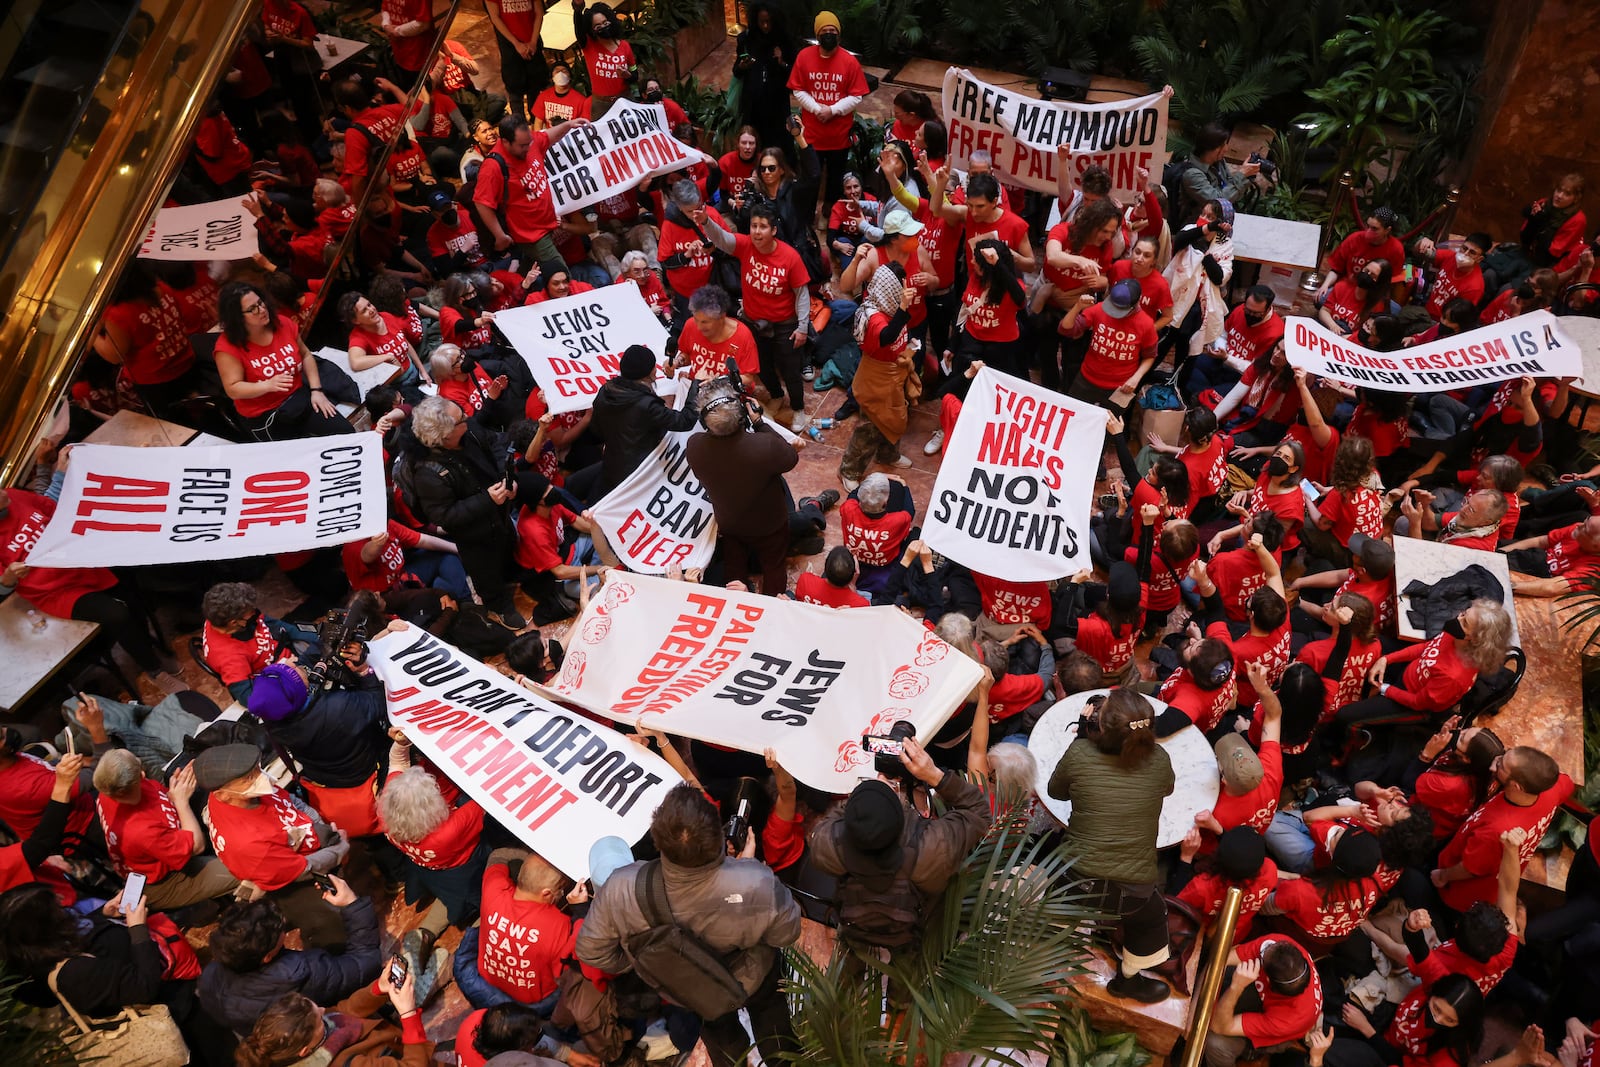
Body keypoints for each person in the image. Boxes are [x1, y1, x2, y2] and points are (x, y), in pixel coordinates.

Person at [576, 783, 802, 1066]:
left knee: (723, 1040)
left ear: (657, 840)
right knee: (775, 1030)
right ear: (719, 836)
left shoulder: (620, 888)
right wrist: (746, 870)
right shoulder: (756, 882)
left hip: (692, 988)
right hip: (756, 978)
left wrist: (642, 958)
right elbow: (788, 933)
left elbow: (592, 952)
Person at [1047, 689, 1175, 1003]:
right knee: (1152, 917)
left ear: (1100, 728)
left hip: (1073, 881)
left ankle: (1047, 966)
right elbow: (1168, 788)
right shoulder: (1159, 760)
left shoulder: (1080, 754)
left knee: (1055, 909)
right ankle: (1128, 980)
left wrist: (1080, 736)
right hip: (1133, 895)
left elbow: (1056, 792)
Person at [808, 732, 990, 955]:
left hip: (857, 928)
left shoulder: (827, 845)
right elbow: (979, 813)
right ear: (900, 817)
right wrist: (934, 775)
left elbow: (831, 822)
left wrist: (868, 798)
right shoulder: (931, 848)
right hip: (917, 933)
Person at [0, 485, 177, 687]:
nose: (3, 491)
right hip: (55, 591)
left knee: (130, 584)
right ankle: (154, 670)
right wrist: (8, 577)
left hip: (77, 562)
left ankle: (148, 643)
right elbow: (2, 589)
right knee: (116, 614)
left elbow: (56, 510)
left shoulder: (14, 495)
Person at [197, 743, 352, 950]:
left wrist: (318, 825)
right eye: (248, 778)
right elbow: (302, 869)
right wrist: (339, 849)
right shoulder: (248, 842)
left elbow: (290, 801)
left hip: (301, 849)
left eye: (256, 769)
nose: (259, 778)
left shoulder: (242, 794)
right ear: (223, 795)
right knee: (329, 923)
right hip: (293, 880)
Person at [198, 874, 382, 1036]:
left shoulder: (209, 977)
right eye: (280, 932)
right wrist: (352, 904)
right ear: (267, 957)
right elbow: (366, 962)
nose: (284, 930)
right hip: (323, 1026)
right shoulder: (303, 972)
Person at [405, 395, 526, 627]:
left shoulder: (468, 430)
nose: (468, 418)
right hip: (474, 535)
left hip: (498, 514)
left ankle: (513, 575)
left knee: (508, 547)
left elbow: (495, 443)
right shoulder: (427, 473)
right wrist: (487, 500)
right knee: (487, 573)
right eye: (461, 418)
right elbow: (444, 516)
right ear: (445, 435)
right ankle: (499, 605)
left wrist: (508, 477)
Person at [695, 202, 813, 429]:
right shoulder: (745, 245)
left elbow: (802, 294)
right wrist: (705, 222)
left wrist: (803, 327)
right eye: (753, 226)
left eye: (763, 227)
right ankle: (776, 395)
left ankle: (798, 408)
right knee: (762, 367)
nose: (757, 232)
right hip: (752, 322)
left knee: (790, 370)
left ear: (774, 230)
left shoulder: (790, 257)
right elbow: (721, 239)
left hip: (785, 325)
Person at [1335, 599, 1514, 745]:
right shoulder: (1454, 635)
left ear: (1474, 639)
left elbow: (1417, 702)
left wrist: (1384, 689)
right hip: (1411, 677)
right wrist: (1386, 659)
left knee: (1345, 716)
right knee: (1373, 643)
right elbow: (1428, 648)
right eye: (1463, 613)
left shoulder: (1454, 676)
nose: (1458, 619)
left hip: (1412, 704)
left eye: (1465, 623)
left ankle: (1356, 742)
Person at [686, 378, 800, 594]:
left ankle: (734, 605)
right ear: (741, 415)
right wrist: (759, 423)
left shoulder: (695, 446)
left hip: (730, 522)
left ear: (705, 422)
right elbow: (790, 458)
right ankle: (772, 606)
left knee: (734, 563)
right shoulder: (763, 445)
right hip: (769, 524)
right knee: (774, 565)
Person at [1434, 746, 1575, 911]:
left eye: (1501, 765)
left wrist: (1443, 876)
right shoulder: (1552, 789)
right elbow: (1567, 783)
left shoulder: (1497, 830)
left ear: (1517, 786)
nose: (1494, 764)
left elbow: (1470, 869)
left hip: (1457, 890)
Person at [93, 751, 239, 910]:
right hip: (167, 881)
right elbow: (197, 846)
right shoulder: (140, 831)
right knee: (245, 869)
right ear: (140, 776)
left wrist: (175, 792)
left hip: (166, 849)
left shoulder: (108, 791)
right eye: (138, 767)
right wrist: (181, 802)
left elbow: (157, 807)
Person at [215, 282, 352, 440]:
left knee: (346, 433)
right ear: (237, 317)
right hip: (265, 416)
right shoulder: (227, 347)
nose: (262, 310)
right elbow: (233, 388)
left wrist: (316, 390)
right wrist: (266, 385)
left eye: (261, 303)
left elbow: (306, 355)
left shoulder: (282, 323)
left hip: (298, 400)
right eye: (252, 309)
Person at [454, 845, 584, 1010]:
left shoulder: (493, 889)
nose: (560, 894)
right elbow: (567, 971)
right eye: (559, 889)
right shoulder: (559, 925)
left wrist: (529, 860)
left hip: (486, 981)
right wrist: (581, 911)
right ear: (546, 893)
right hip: (533, 1001)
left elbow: (498, 854)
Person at [234, 964, 434, 1067]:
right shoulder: (347, 1064)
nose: (323, 1010)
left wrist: (377, 988)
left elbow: (343, 1010)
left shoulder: (304, 1033)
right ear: (305, 1051)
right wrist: (408, 1015)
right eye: (320, 1018)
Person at [473, 114, 592, 270]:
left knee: (536, 269)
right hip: (532, 234)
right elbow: (481, 203)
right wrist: (499, 235)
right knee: (559, 272)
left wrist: (568, 125)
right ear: (506, 142)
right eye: (522, 146)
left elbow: (547, 136)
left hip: (550, 221)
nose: (528, 148)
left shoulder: (529, 141)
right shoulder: (492, 167)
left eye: (528, 143)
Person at [582, 343, 700, 499]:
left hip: (612, 464)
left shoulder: (606, 391)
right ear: (647, 373)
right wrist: (695, 385)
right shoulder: (647, 405)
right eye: (653, 368)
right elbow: (685, 421)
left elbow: (596, 430)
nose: (656, 370)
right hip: (641, 473)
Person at [839, 262, 918, 490]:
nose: (904, 288)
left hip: (894, 373)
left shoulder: (891, 306)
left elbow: (901, 331)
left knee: (895, 415)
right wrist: (903, 308)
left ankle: (887, 454)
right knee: (871, 425)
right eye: (900, 285)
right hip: (875, 377)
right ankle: (849, 469)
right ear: (890, 288)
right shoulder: (874, 315)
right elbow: (886, 337)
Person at [787, 10, 868, 206]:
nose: (829, 34)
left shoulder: (849, 61)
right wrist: (817, 109)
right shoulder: (804, 57)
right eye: (825, 30)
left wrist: (832, 110)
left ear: (839, 35)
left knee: (835, 181)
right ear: (817, 34)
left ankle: (829, 215)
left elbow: (856, 96)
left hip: (838, 137)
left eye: (833, 30)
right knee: (809, 180)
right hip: (811, 136)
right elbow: (798, 90)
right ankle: (806, 217)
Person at [1204, 936, 1322, 1067]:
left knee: (1215, 1043)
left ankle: (1255, 1055)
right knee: (1227, 974)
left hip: (1272, 1033)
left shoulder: (1288, 1019)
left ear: (1269, 982)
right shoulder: (1278, 946)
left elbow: (1219, 1026)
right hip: (1264, 1002)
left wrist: (1236, 987)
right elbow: (1220, 961)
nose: (1264, 948)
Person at [1057, 279, 1160, 408]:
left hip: (1121, 387)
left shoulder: (1146, 324)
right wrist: (1077, 307)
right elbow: (1065, 329)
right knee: (1073, 414)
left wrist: (1136, 377)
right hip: (1087, 378)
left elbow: (1150, 355)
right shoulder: (1099, 309)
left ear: (1136, 303)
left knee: (1112, 426)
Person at [1172, 125, 1264, 226]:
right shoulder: (1192, 174)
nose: (1226, 149)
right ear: (1211, 148)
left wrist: (1248, 176)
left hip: (1223, 222)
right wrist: (1241, 174)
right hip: (1199, 228)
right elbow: (1217, 203)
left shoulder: (1218, 162)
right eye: (1223, 145)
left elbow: (1231, 190)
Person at [1315, 207, 1404, 306]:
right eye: (1368, 226)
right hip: (1348, 288)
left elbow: (1391, 282)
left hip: (1373, 294)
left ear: (1387, 230)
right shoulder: (1355, 239)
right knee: (1321, 299)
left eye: (1374, 229)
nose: (1369, 231)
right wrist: (1325, 286)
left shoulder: (1396, 249)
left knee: (1394, 312)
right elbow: (1336, 269)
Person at [674, 284, 760, 385]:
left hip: (728, 393)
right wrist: (677, 362)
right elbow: (689, 354)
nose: (699, 327)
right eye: (696, 320)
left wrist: (718, 382)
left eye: (705, 322)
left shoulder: (743, 336)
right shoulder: (690, 325)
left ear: (721, 317)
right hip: (697, 388)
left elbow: (748, 378)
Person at [1503, 514, 1600, 597]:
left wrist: (1506, 586)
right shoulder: (1577, 530)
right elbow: (1540, 541)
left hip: (1538, 574)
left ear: (1596, 546)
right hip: (1531, 554)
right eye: (1585, 520)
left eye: (1585, 528)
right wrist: (1500, 552)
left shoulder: (1594, 571)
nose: (1579, 525)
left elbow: (1553, 587)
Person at [483, 0, 546, 125]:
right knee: (514, 89)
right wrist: (516, 44)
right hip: (509, 46)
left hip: (532, 41)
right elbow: (495, 17)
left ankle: (535, 121)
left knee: (535, 84)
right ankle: (519, 125)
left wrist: (533, 41)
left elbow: (539, 12)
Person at [571, 0, 636, 117]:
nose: (603, 27)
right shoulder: (589, 45)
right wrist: (578, 8)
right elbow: (578, 28)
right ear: (592, 30)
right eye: (597, 26)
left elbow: (635, 74)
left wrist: (628, 76)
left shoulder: (624, 46)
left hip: (625, 100)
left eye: (605, 23)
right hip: (601, 105)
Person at [1414, 233, 1491, 320]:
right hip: (1424, 307)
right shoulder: (1451, 256)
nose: (1465, 254)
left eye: (1472, 252)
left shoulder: (1474, 288)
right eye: (1464, 248)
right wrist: (1422, 243)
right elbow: (1420, 252)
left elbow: (1457, 319)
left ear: (1479, 259)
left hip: (1438, 322)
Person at [531, 61, 589, 129]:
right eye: (557, 71)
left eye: (564, 71)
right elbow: (538, 122)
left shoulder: (581, 100)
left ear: (570, 76)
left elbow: (583, 125)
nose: (560, 73)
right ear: (552, 77)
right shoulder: (543, 96)